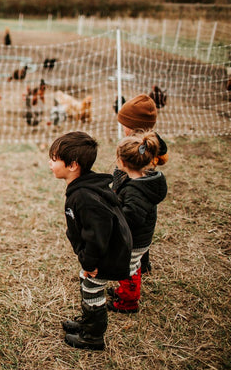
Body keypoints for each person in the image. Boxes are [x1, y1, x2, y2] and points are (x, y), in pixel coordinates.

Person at [49, 131, 132, 350]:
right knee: (86, 283)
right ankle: (87, 322)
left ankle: (93, 336)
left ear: (73, 165)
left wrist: (90, 262)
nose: (50, 163)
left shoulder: (85, 197)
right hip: (98, 253)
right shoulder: (81, 188)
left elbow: (97, 235)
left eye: (55, 159)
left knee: (92, 288)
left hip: (107, 255)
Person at [107, 132, 168, 313]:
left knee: (129, 268)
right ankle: (125, 290)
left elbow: (131, 218)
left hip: (134, 239)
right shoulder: (144, 180)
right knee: (133, 265)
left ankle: (128, 301)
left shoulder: (136, 191)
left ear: (122, 162)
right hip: (139, 238)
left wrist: (113, 221)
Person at [115, 93, 168, 274]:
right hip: (141, 191)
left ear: (132, 126)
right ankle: (143, 262)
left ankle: (137, 264)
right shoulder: (148, 142)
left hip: (134, 189)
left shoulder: (141, 146)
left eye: (124, 125)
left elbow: (163, 156)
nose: (122, 128)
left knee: (136, 227)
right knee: (145, 224)